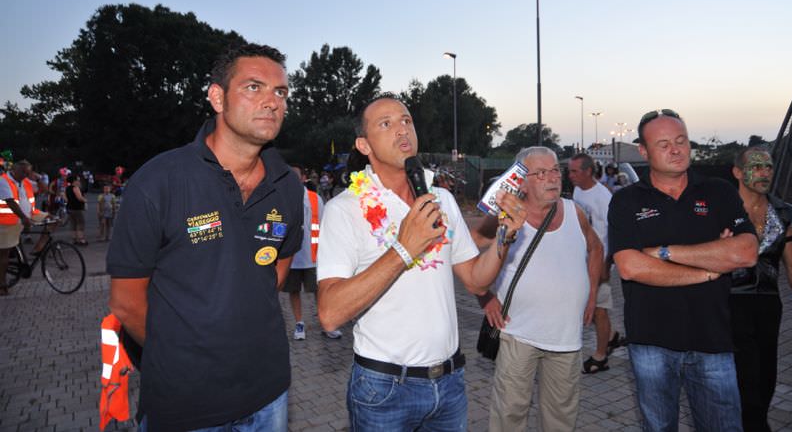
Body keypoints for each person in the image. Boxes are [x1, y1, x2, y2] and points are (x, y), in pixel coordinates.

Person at [107, 43, 304, 432]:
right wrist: (181, 355)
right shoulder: (160, 180)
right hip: (186, 407)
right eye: (254, 87)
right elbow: (126, 302)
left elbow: (275, 275)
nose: (271, 101)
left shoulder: (288, 186)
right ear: (217, 97)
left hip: (269, 396)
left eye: (280, 92)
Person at [316, 95, 526, 431]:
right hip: (383, 389)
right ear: (364, 144)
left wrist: (504, 237)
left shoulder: (440, 198)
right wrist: (404, 248)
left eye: (406, 120)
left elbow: (475, 280)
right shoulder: (345, 208)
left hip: (450, 383)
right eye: (386, 124)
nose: (401, 129)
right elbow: (329, 314)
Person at [609, 109, 758, 431]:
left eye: (681, 140)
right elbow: (631, 267)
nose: (676, 149)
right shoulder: (626, 201)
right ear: (645, 152)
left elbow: (745, 252)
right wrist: (709, 268)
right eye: (663, 144)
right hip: (651, 343)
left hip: (713, 340)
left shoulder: (718, 191)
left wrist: (665, 253)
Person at [473, 147, 602, 431]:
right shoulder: (504, 216)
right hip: (518, 333)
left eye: (555, 170)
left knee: (561, 419)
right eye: (541, 173)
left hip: (566, 338)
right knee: (510, 416)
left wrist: (592, 293)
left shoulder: (574, 212)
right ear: (522, 181)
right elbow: (467, 253)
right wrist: (485, 297)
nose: (552, 178)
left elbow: (596, 249)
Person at [729, 147, 792, 431]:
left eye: (768, 167)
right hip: (729, 303)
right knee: (743, 379)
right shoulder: (723, 210)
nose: (764, 173)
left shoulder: (784, 212)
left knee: (766, 375)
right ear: (737, 172)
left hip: (769, 306)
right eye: (756, 167)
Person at [568, 152, 625, 374]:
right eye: (570, 171)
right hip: (580, 260)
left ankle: (601, 357)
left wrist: (606, 264)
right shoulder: (578, 189)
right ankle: (611, 337)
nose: (570, 175)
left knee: (599, 310)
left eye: (575, 171)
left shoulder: (603, 197)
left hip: (598, 262)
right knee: (585, 304)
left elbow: (615, 233)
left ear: (588, 171)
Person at [282, 166, 341, 340]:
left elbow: (325, 225)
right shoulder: (281, 199)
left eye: (295, 176)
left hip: (313, 255)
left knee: (319, 291)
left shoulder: (315, 199)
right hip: (291, 257)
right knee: (294, 291)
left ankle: (326, 322)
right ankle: (299, 323)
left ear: (303, 178)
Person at [0, 160, 50, 295]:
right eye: (23, 172)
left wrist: (38, 178)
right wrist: (23, 218)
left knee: (52, 220)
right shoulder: (3, 181)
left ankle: (39, 246)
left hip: (29, 215)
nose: (25, 175)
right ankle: (2, 284)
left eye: (28, 172)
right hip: (8, 220)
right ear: (15, 170)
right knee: (4, 255)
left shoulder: (26, 181)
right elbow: (10, 202)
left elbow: (45, 191)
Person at [65, 174, 88, 245]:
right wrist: (85, 200)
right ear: (74, 181)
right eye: (78, 180)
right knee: (80, 223)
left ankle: (74, 239)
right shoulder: (75, 188)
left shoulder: (67, 188)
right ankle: (81, 240)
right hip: (77, 208)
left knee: (73, 224)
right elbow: (79, 198)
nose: (79, 181)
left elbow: (65, 198)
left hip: (70, 208)